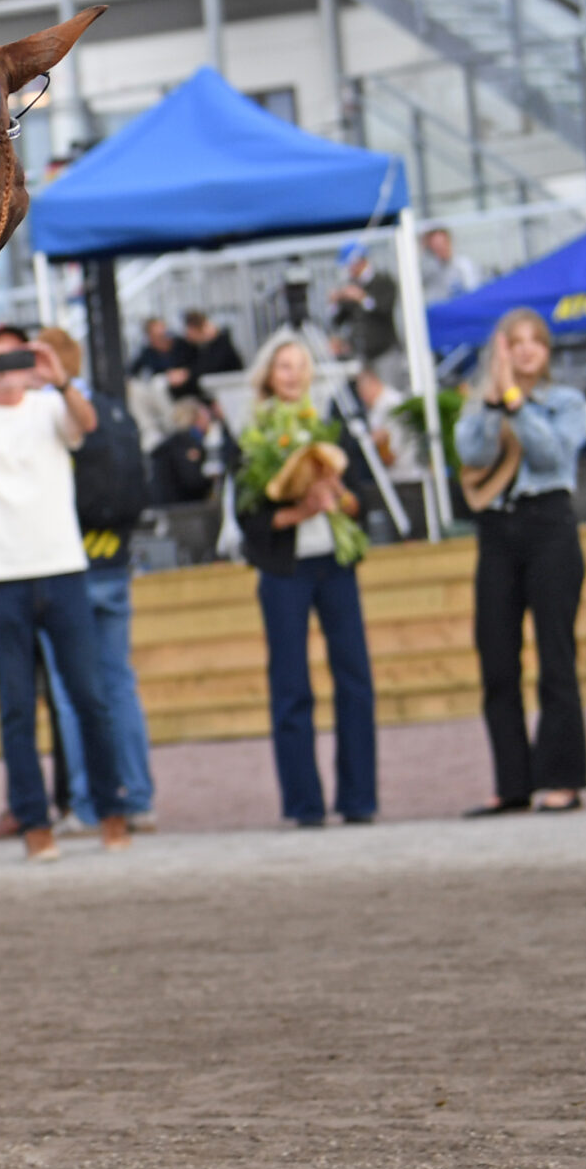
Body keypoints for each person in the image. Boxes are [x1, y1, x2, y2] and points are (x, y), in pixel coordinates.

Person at [0, 329, 134, 859]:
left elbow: (88, 426)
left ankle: (111, 810)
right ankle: (34, 822)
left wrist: (62, 380)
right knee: (16, 708)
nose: (9, 371)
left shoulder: (52, 404)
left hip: (61, 570)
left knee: (89, 697)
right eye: (0, 359)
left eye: (18, 358)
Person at [236, 332, 378, 827]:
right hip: (285, 571)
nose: (292, 374)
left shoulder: (332, 428)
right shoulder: (254, 436)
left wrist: (336, 494)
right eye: (283, 366)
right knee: (291, 684)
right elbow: (249, 520)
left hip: (336, 564)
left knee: (355, 680)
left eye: (299, 365)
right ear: (270, 377)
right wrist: (300, 511)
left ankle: (360, 799)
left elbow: (365, 503)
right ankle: (304, 803)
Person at [454, 306, 586, 815]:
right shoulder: (479, 400)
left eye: (536, 341)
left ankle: (564, 778)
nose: (527, 349)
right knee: (496, 658)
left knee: (556, 656)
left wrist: (515, 403)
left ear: (547, 352)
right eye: (517, 341)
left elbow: (553, 456)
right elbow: (471, 453)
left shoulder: (567, 401)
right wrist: (492, 404)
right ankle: (511, 783)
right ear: (501, 349)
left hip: (549, 525)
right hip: (498, 531)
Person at [39, 326, 156, 832]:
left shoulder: (46, 411)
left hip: (67, 565)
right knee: (119, 683)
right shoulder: (113, 408)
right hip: (114, 562)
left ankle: (87, 803)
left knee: (70, 692)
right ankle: (140, 795)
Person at [328, 244, 404, 393]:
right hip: (363, 355)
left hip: (385, 352)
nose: (348, 270)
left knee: (391, 392)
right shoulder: (351, 285)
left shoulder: (384, 281)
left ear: (360, 262)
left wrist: (361, 298)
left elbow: (384, 309)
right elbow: (338, 321)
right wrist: (334, 303)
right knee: (368, 395)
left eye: (349, 266)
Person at [172, 308, 242, 386]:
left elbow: (210, 368)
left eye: (189, 331)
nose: (188, 335)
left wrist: (187, 374)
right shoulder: (199, 345)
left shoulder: (222, 343)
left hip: (229, 386)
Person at [419, 225, 485, 303]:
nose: (441, 249)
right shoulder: (426, 272)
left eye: (442, 244)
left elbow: (474, 290)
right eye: (436, 247)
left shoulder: (463, 265)